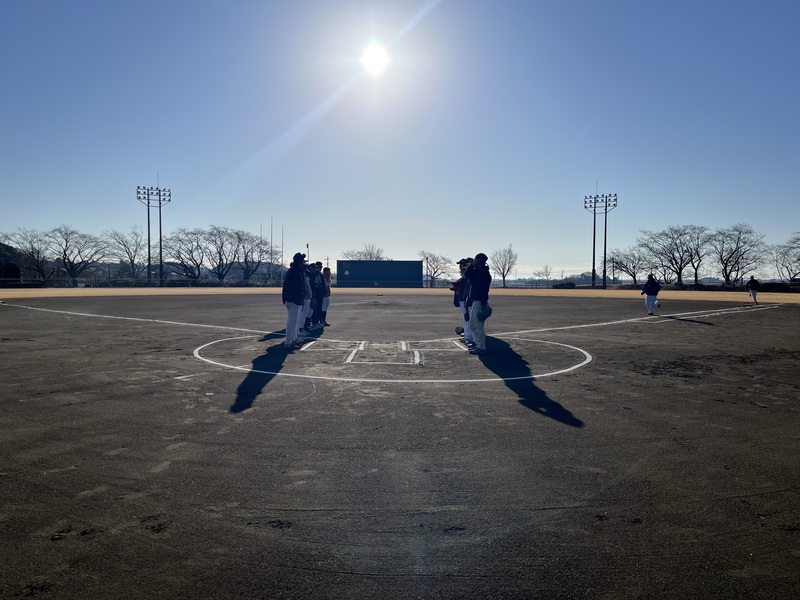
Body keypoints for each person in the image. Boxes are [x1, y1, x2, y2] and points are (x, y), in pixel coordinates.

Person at [464, 253, 491, 355]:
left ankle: (481, 347)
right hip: (475, 301)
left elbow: (484, 290)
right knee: (472, 325)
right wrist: (472, 266)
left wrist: (484, 304)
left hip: (480, 301)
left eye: (475, 260)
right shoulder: (477, 272)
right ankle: (477, 344)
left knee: (477, 325)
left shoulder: (483, 273)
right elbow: (467, 274)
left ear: (479, 261)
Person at [282, 253, 306, 348]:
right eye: (302, 261)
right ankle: (288, 342)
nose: (303, 263)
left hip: (292, 299)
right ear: (299, 262)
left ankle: (292, 339)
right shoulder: (295, 272)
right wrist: (296, 299)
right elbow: (295, 288)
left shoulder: (295, 270)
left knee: (293, 320)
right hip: (293, 300)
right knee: (292, 321)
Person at [450, 258, 475, 348]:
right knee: (466, 319)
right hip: (462, 298)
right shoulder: (465, 275)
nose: (459, 266)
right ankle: (467, 336)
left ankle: (469, 337)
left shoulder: (468, 275)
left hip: (466, 299)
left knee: (468, 319)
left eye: (461, 264)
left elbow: (461, 284)